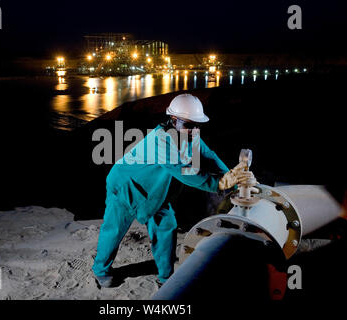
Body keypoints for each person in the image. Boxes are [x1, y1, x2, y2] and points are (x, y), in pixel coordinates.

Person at [92, 94, 255, 288]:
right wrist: (219, 183)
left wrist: (232, 177)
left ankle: (166, 278)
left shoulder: (190, 135)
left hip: (156, 190)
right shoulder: (160, 141)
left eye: (197, 125)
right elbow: (184, 172)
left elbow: (208, 157)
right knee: (115, 229)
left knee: (166, 227)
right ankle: (100, 270)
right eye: (188, 124)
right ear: (174, 120)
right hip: (126, 187)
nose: (194, 130)